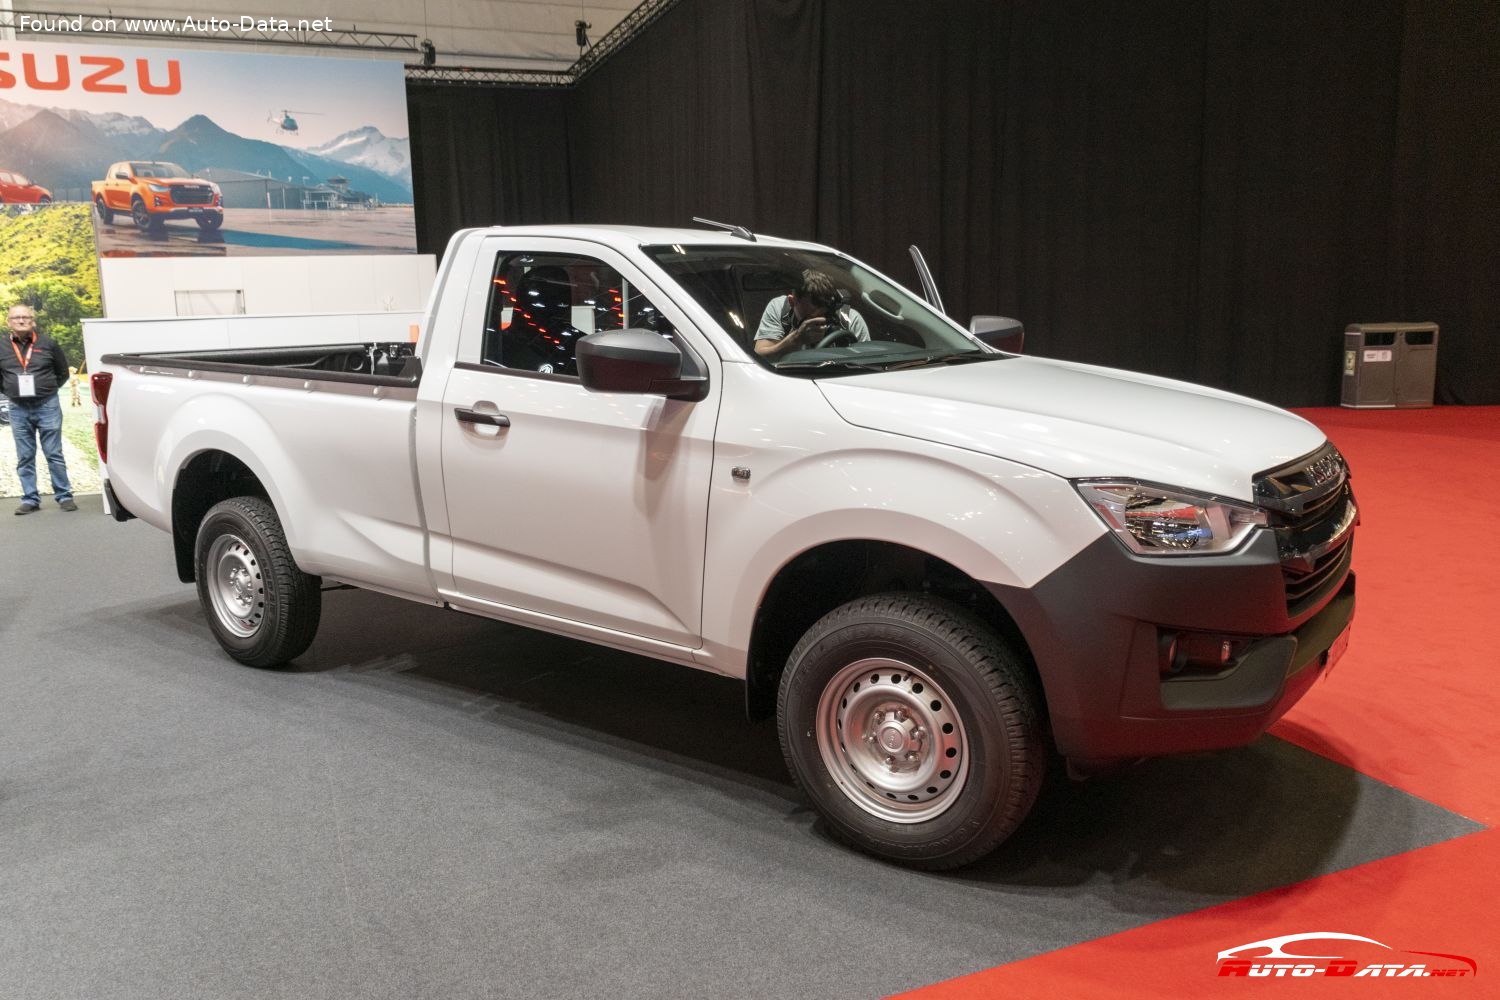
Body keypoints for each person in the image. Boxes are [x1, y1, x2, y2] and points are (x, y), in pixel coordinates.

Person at [2, 304, 76, 514]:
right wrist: (12, 391)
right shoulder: (1, 346)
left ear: (33, 320)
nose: (21, 320)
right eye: (16, 317)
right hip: (17, 407)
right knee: (25, 455)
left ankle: (64, 496)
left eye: (25, 317)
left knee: (54, 453)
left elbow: (62, 373)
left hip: (47, 405)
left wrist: (47, 390)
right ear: (9, 322)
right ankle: (30, 499)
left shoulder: (48, 344)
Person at [754, 269, 869, 359]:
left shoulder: (850, 319)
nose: (818, 323)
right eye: (810, 318)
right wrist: (795, 340)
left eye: (824, 315)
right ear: (792, 301)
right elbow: (760, 356)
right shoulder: (780, 308)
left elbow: (866, 362)